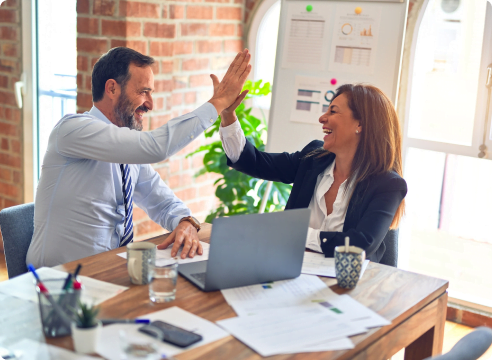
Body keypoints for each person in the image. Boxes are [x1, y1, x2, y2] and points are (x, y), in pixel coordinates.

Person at [27, 47, 251, 268]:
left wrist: (186, 222)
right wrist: (219, 102)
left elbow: (162, 201)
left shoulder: (127, 152)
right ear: (112, 88)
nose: (150, 104)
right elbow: (156, 147)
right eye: (144, 91)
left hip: (109, 272)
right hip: (58, 281)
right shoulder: (72, 130)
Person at [219, 84, 407, 262]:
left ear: (360, 124)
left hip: (350, 286)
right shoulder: (312, 158)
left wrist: (296, 233)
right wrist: (228, 116)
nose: (322, 118)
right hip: (293, 273)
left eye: (333, 111)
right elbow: (254, 162)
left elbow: (360, 245)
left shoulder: (388, 185)